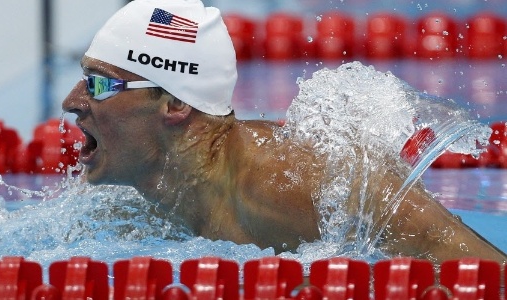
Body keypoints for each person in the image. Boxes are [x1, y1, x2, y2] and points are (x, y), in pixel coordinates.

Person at [62, 0, 506, 263]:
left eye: (99, 84)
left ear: (175, 103)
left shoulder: (292, 182)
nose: (72, 101)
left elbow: (486, 275)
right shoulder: (133, 206)